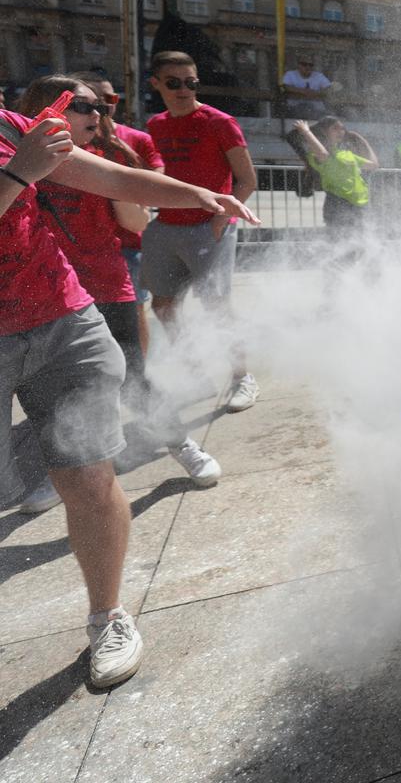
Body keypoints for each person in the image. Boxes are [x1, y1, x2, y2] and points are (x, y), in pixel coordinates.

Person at [1, 88, 254, 688]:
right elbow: (25, 175)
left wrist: (200, 194)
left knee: (90, 475)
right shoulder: (20, 151)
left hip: (62, 319)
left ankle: (107, 615)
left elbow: (112, 180)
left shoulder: (10, 125)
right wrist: (17, 173)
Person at [14, 76, 221, 514]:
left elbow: (136, 224)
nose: (100, 115)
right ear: (46, 108)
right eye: (86, 107)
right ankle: (64, 474)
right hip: (39, 297)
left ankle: (179, 442)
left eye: (104, 108)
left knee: (134, 376)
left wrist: (117, 158)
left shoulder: (99, 156)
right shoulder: (16, 152)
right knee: (50, 398)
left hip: (105, 284)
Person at [143, 51, 259, 412]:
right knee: (163, 306)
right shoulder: (155, 125)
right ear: (157, 84)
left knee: (217, 307)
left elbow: (247, 180)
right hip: (166, 226)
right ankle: (195, 373)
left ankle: (243, 378)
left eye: (190, 83)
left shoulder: (219, 122)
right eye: (174, 83)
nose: (183, 90)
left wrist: (220, 219)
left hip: (209, 228)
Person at [71, 71, 162, 354]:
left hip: (127, 245)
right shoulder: (68, 140)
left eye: (109, 99)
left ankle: (140, 379)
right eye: (91, 102)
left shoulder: (135, 139)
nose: (103, 107)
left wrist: (122, 154)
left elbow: (154, 184)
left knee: (133, 315)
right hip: (76, 246)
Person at [290, 116, 377, 243]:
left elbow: (373, 165)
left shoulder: (347, 154)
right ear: (324, 132)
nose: (340, 131)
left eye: (342, 129)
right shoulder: (314, 155)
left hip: (361, 205)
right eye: (335, 128)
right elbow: (323, 154)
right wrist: (306, 131)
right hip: (339, 204)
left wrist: (362, 140)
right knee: (340, 246)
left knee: (361, 245)